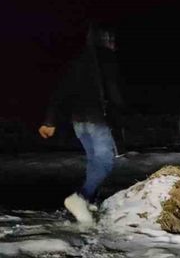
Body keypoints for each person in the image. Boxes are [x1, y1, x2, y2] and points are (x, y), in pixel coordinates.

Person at [38, 22, 126, 225]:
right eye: (112, 40)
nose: (114, 44)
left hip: (78, 121)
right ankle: (81, 197)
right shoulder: (107, 59)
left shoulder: (77, 61)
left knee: (93, 161)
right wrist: (120, 108)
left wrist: (49, 121)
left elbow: (60, 92)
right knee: (105, 162)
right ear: (106, 40)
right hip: (98, 120)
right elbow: (114, 92)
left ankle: (90, 201)